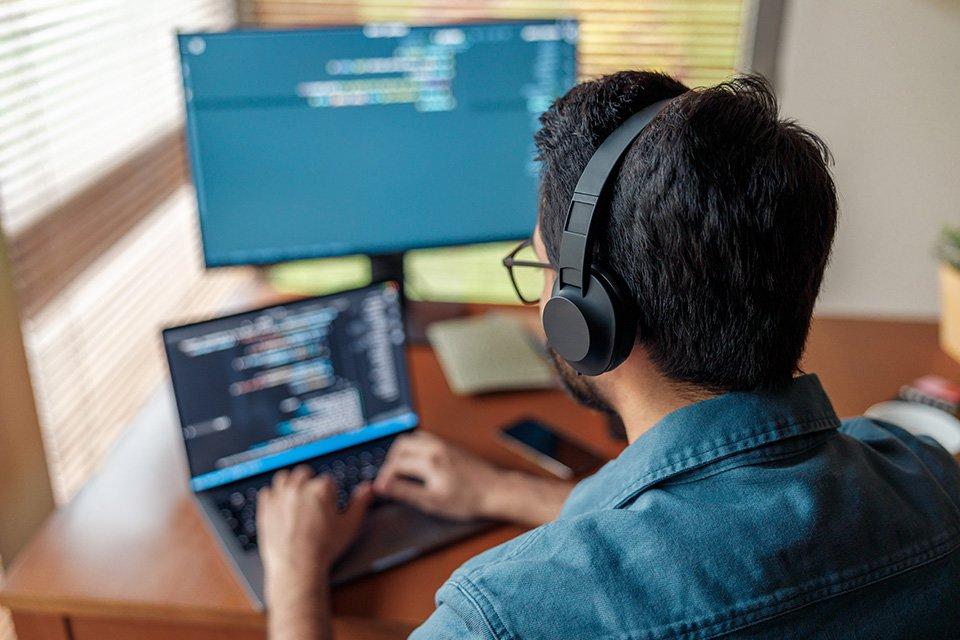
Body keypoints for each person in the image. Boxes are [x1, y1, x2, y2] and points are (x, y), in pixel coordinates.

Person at [256, 72, 960, 639]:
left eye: (540, 272)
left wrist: (294, 583)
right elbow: (725, 532)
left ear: (586, 318)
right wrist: (506, 493)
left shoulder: (505, 617)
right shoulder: (930, 482)